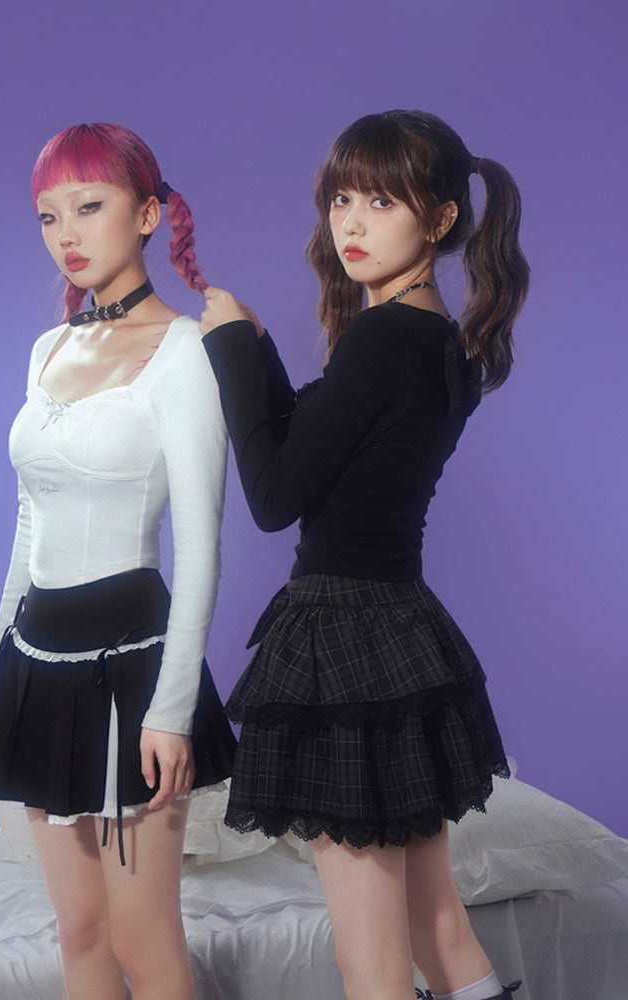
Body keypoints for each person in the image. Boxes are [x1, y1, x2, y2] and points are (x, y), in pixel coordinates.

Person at [200, 110, 529, 1000]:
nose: (350, 222)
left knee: (371, 964)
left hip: (343, 642)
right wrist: (256, 346)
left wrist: (227, 351)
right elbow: (318, 441)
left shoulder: (382, 339)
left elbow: (276, 497)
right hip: (401, 634)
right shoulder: (435, 336)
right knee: (439, 928)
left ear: (441, 219)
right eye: (341, 198)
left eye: (382, 202)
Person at [0, 122, 236, 1000]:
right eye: (49, 217)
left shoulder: (186, 351)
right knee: (79, 931)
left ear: (149, 214)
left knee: (142, 943)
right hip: (35, 659)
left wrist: (173, 708)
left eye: (89, 207)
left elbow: (201, 544)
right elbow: (28, 518)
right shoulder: (48, 348)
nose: (67, 235)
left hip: (135, 667)